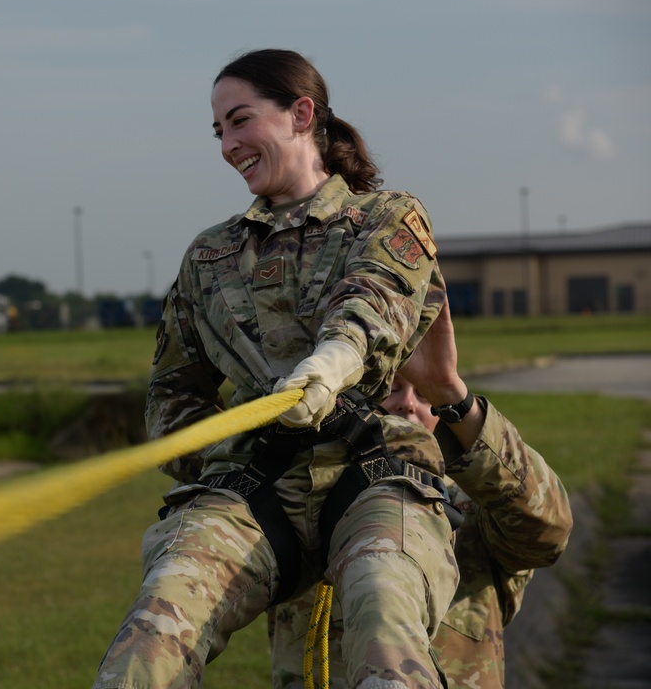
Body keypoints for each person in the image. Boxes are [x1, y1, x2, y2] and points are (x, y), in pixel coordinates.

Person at [93, 49, 464, 689]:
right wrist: (220, 460)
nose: (228, 145)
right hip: (253, 491)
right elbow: (171, 392)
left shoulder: (388, 217)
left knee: (385, 610)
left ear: (300, 114)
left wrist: (329, 368)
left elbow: (373, 303)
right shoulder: (209, 256)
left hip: (371, 477)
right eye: (218, 131)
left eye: (240, 121)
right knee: (152, 633)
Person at [268, 298, 574, 689]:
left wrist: (450, 392)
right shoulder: (303, 498)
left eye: (425, 396)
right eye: (391, 387)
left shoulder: (476, 503)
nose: (408, 404)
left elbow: (548, 533)